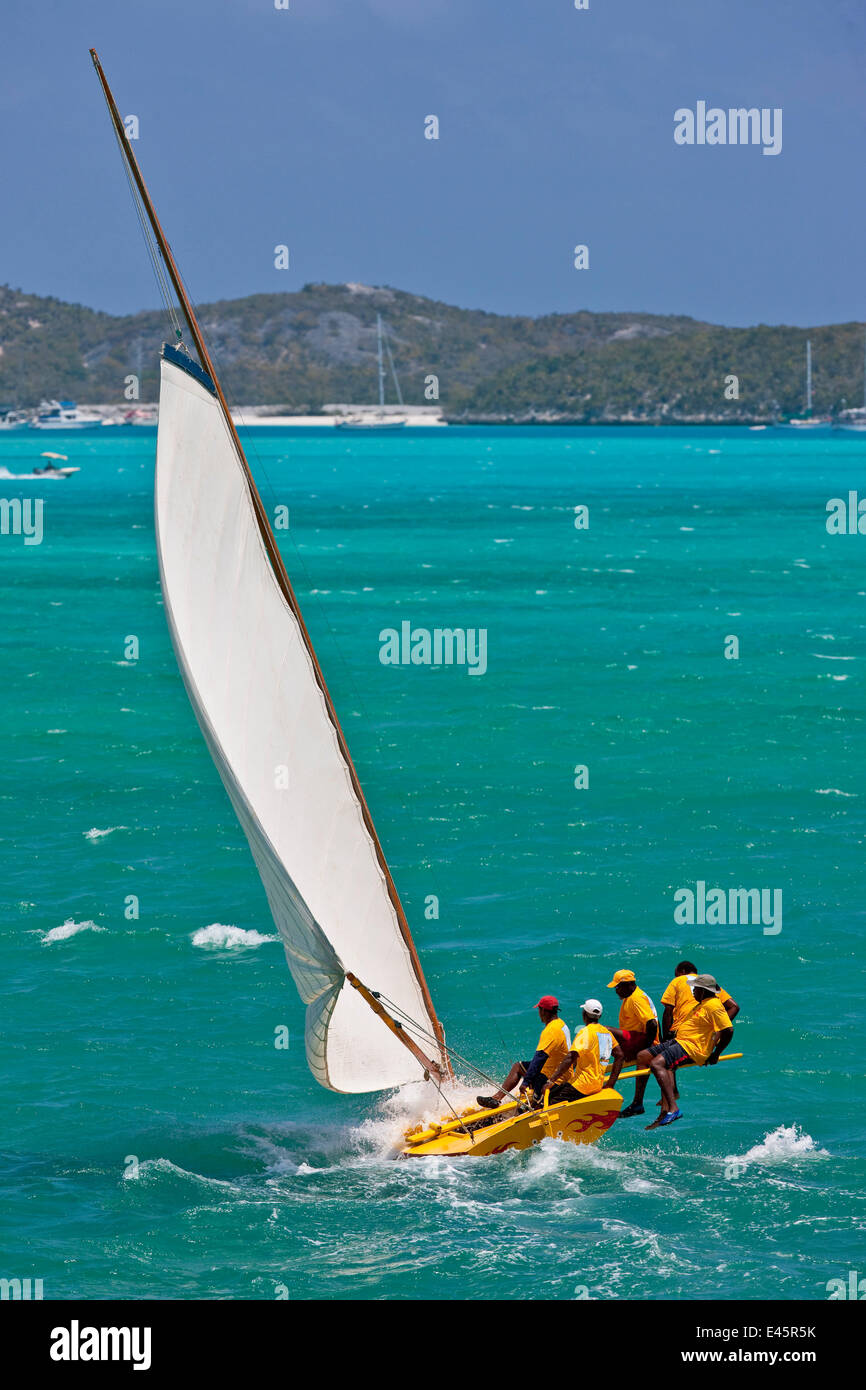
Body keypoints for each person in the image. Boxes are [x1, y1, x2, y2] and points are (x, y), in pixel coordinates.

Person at [638, 974, 734, 1128]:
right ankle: (639, 1103)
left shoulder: (714, 1006)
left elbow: (728, 1030)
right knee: (643, 1056)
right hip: (680, 1042)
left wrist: (716, 1053)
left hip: (691, 1048)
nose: (693, 991)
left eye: (696, 988)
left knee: (657, 1064)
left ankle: (673, 1108)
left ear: (704, 990)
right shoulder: (703, 1003)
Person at [654, 961, 740, 1107]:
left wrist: (665, 1036)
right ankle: (671, 1096)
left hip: (685, 1030)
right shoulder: (708, 984)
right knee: (670, 1061)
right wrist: (715, 1029)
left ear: (682, 971)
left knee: (666, 1058)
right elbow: (734, 1007)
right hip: (700, 1033)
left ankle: (670, 1100)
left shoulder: (680, 981)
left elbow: (668, 1011)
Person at [476, 995, 572, 1109]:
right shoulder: (561, 1024)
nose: (539, 1013)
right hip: (558, 1070)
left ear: (544, 1011)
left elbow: (539, 1058)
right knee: (518, 1066)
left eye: (539, 1010)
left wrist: (526, 1082)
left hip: (553, 1077)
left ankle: (530, 1107)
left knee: (534, 1105)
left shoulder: (551, 1031)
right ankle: (496, 1099)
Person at [544, 999, 624, 1102]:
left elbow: (570, 1057)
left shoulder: (585, 1032)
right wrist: (610, 1083)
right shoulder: (606, 1033)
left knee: (549, 1099)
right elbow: (620, 1055)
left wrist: (551, 1080)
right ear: (599, 1016)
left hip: (581, 1086)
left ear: (584, 1014)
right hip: (597, 1085)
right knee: (561, 1088)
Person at [605, 969, 659, 1116]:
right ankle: (636, 1103)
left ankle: (603, 1083)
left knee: (603, 1031)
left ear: (629, 985)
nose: (616, 991)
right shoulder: (631, 997)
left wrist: (647, 1050)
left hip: (643, 1041)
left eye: (618, 987)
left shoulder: (636, 999)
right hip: (635, 1040)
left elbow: (652, 1024)